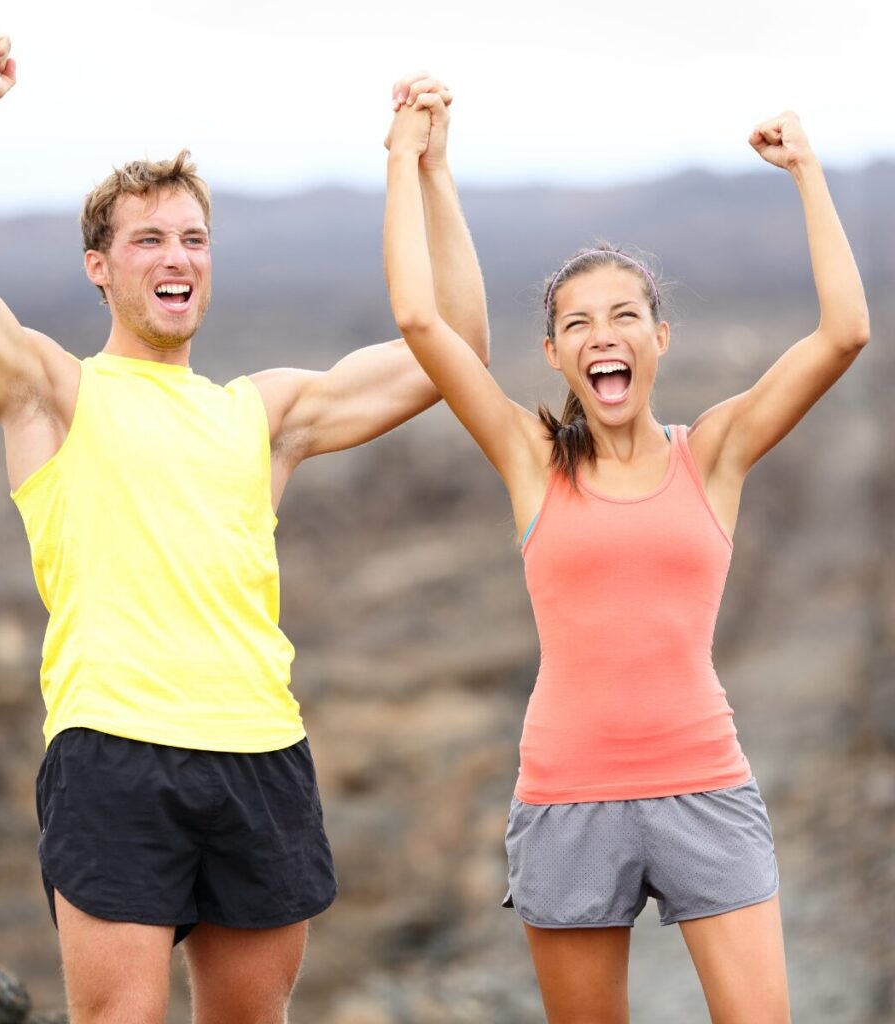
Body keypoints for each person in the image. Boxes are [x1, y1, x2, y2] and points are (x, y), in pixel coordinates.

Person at [0, 32, 487, 1024]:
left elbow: (454, 352)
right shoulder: (55, 393)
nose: (177, 258)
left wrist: (427, 171)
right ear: (98, 265)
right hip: (114, 748)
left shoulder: (263, 412)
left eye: (193, 239)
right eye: (148, 239)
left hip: (262, 750)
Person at [383, 98, 868, 1023]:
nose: (603, 334)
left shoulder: (714, 453)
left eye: (625, 316)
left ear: (660, 339)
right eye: (578, 324)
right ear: (557, 354)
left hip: (706, 783)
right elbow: (419, 317)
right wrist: (415, 164)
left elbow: (843, 332)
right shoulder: (530, 458)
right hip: (567, 800)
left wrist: (807, 169)